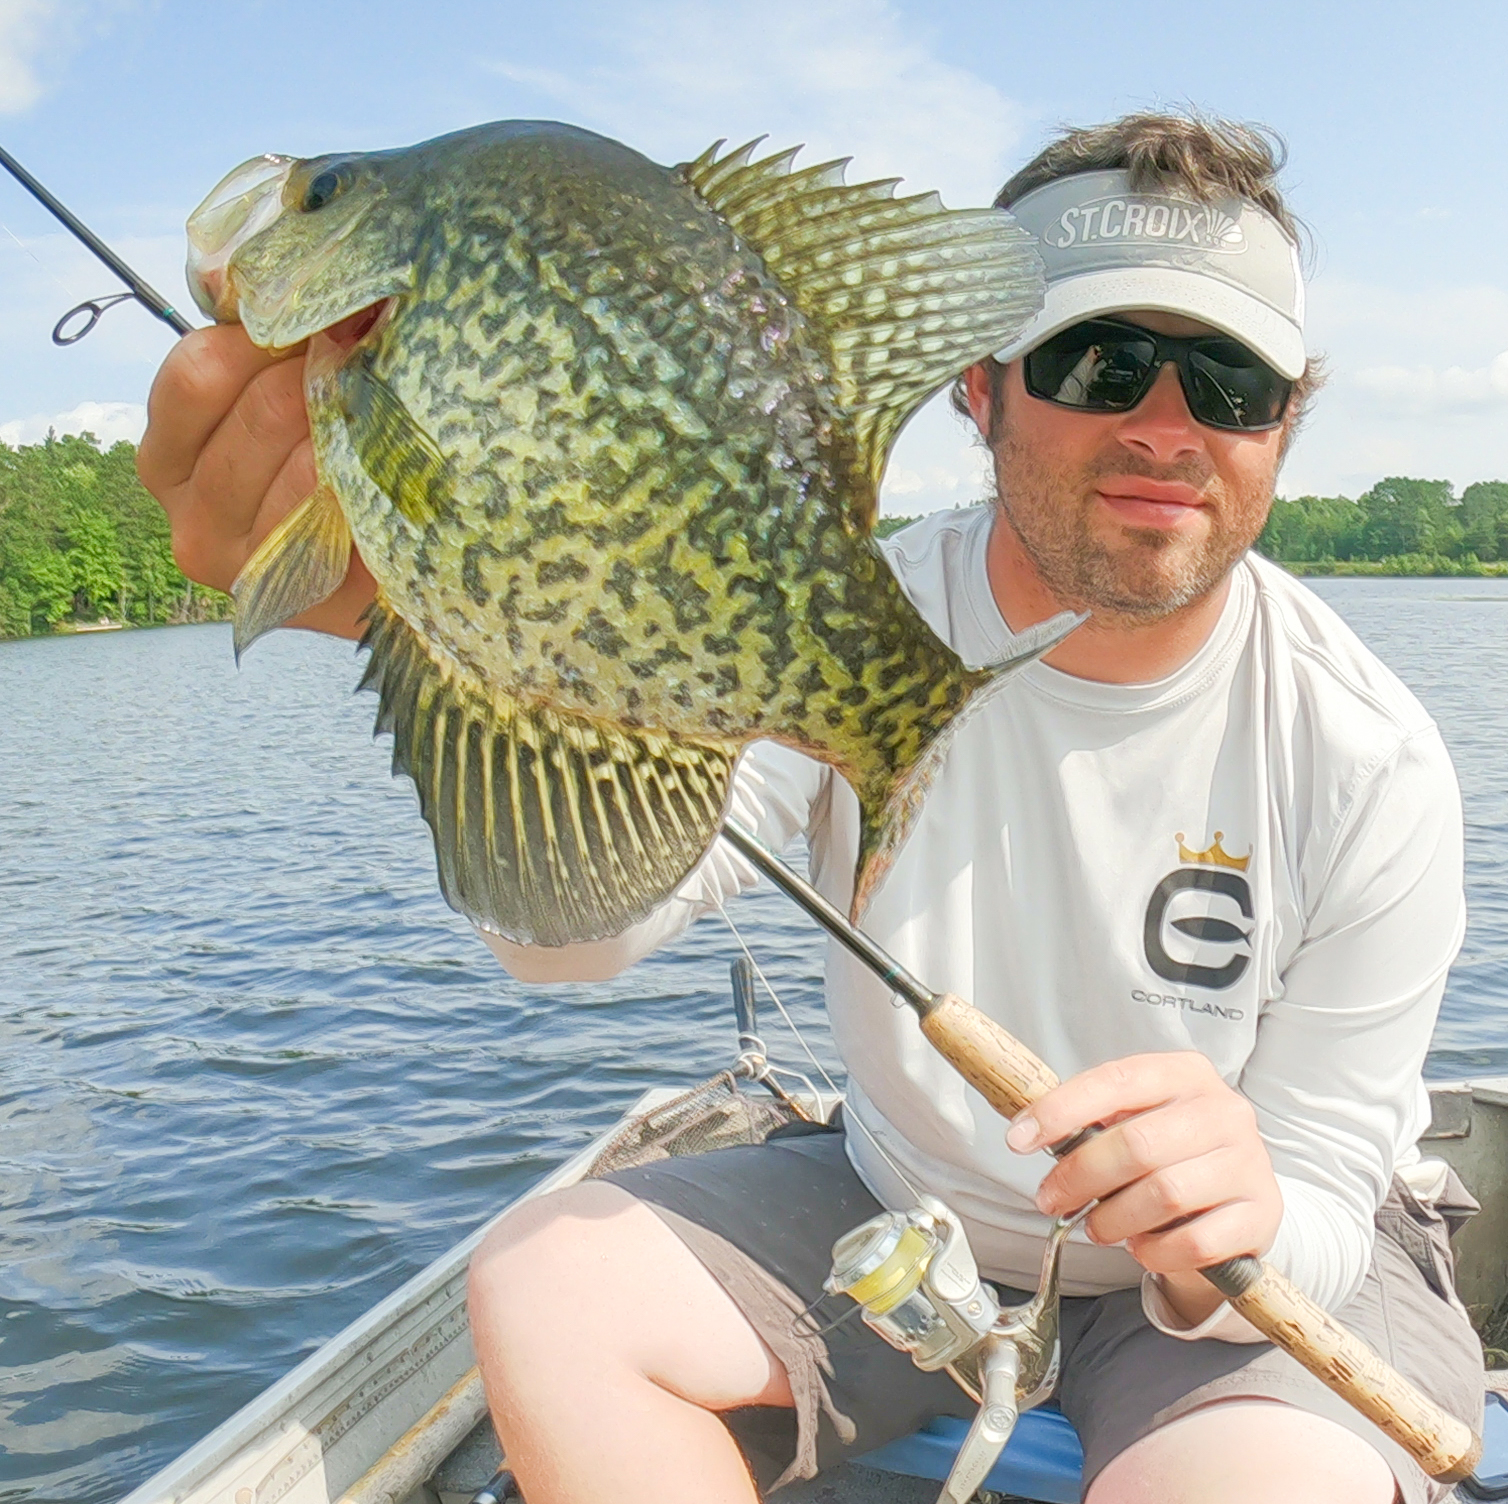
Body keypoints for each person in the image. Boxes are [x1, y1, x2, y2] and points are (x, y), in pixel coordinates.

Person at [139, 113, 1484, 1504]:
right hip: (908, 1214)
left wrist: (1249, 1208)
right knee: (548, 1283)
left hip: (1237, 1288)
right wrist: (439, 628)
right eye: (1101, 361)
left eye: (1230, 381)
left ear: (1285, 424)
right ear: (981, 386)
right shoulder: (833, 612)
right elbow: (570, 942)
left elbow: (1329, 1183)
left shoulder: (1366, 752)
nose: (1164, 426)